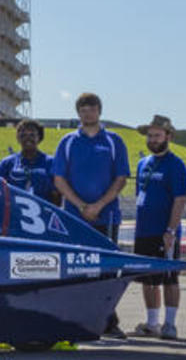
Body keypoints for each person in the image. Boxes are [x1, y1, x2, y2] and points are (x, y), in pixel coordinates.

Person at [51, 92, 129, 339]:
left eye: (92, 108)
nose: (88, 112)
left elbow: (121, 178)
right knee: (75, 270)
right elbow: (59, 179)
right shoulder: (68, 142)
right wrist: (81, 206)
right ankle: (73, 320)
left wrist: (98, 205)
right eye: (83, 109)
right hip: (74, 218)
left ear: (99, 111)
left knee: (106, 271)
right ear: (78, 113)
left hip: (106, 217)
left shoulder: (114, 141)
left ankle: (109, 321)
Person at [129, 115, 186, 340]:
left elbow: (180, 199)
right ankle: (152, 323)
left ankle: (170, 324)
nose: (153, 139)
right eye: (150, 135)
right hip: (144, 230)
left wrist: (171, 231)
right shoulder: (143, 163)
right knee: (147, 278)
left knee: (169, 278)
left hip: (165, 232)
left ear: (168, 136)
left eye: (157, 135)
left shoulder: (176, 165)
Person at [0, 119, 59, 205]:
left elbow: (58, 195)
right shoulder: (7, 163)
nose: (28, 138)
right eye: (23, 135)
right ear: (18, 138)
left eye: (32, 135)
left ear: (39, 137)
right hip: (14, 214)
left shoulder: (51, 162)